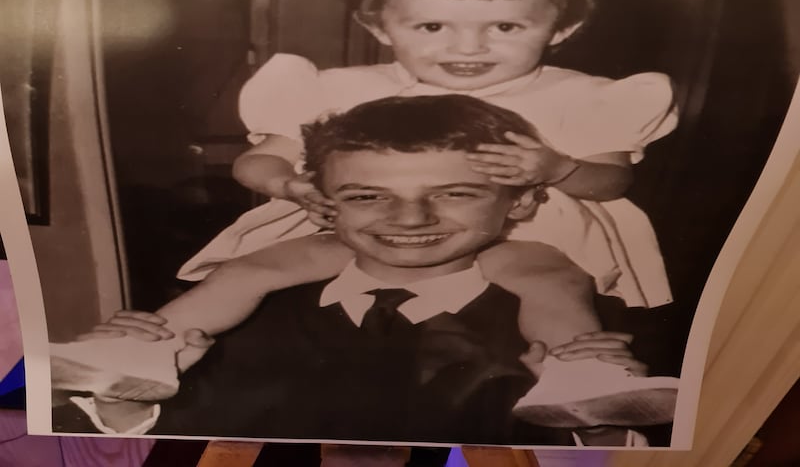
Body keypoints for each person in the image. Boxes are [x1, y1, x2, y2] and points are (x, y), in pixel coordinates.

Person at [51, 0, 678, 423]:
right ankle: (148, 350)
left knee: (550, 280)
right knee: (256, 267)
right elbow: (258, 160)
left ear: (560, 27)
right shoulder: (338, 89)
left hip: (538, 229)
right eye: (433, 26)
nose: (468, 48)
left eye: (505, 27)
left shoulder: (583, 97)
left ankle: (579, 373)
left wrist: (557, 166)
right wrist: (288, 184)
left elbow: (612, 181)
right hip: (340, 230)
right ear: (380, 25)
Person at [53, 96, 674, 445]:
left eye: (456, 192)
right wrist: (125, 405)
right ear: (324, 203)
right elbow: (170, 441)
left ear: (523, 202)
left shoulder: (578, 333)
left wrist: (602, 429)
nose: (409, 217)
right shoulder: (242, 314)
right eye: (366, 196)